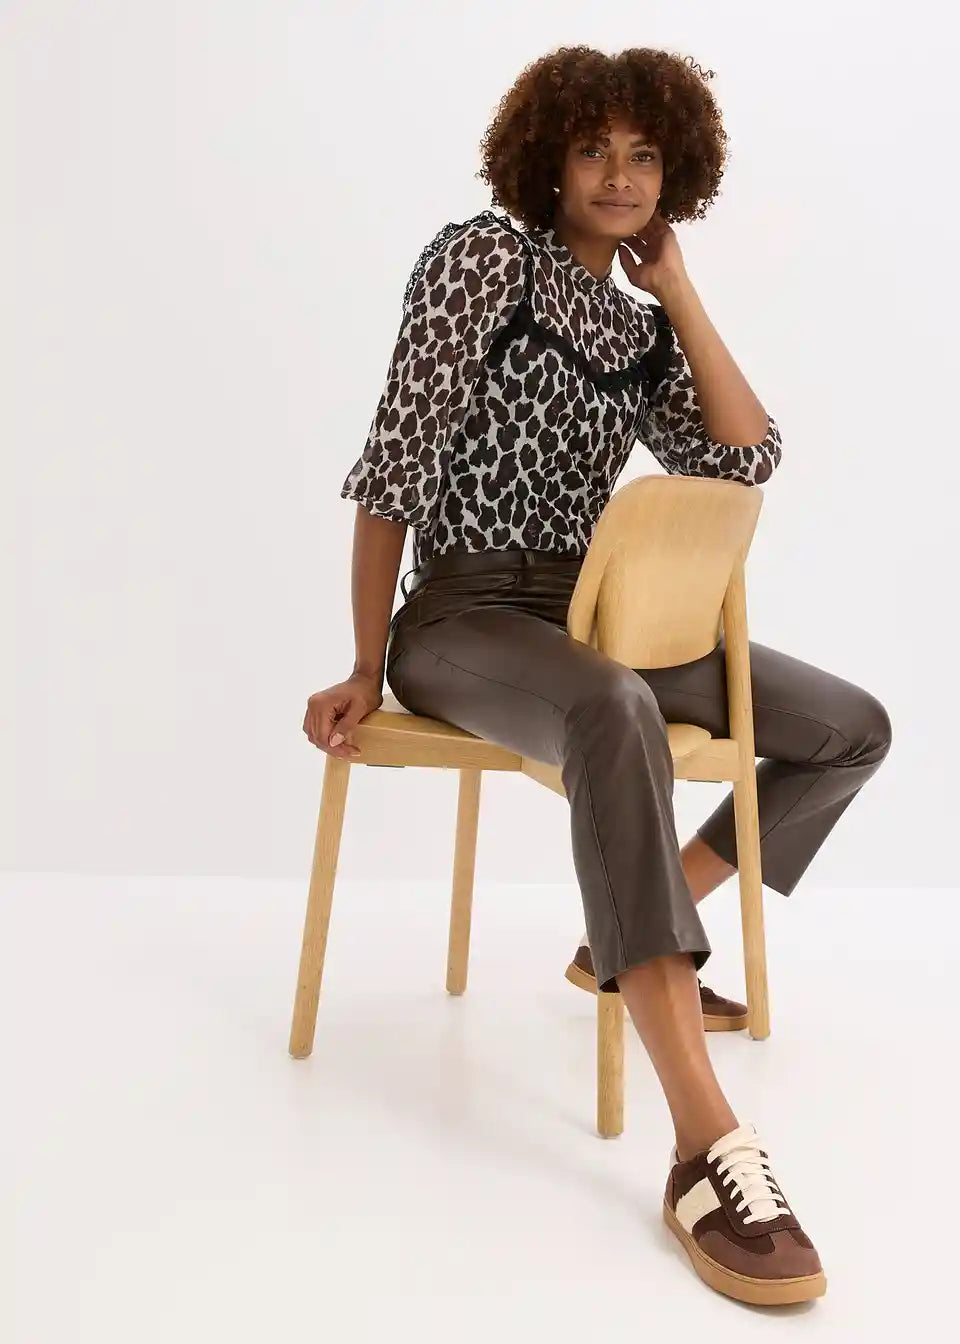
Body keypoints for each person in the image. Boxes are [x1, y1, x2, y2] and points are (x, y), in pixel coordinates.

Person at [303, 45, 892, 1306]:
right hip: (465, 613)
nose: (619, 177)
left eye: (644, 155)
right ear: (548, 159)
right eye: (593, 150)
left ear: (676, 173)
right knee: (614, 706)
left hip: (595, 616)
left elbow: (747, 455)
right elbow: (393, 464)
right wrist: (363, 659)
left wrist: (677, 289)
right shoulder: (482, 260)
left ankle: (625, 931)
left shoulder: (634, 327)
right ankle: (703, 1146)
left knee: (847, 727)